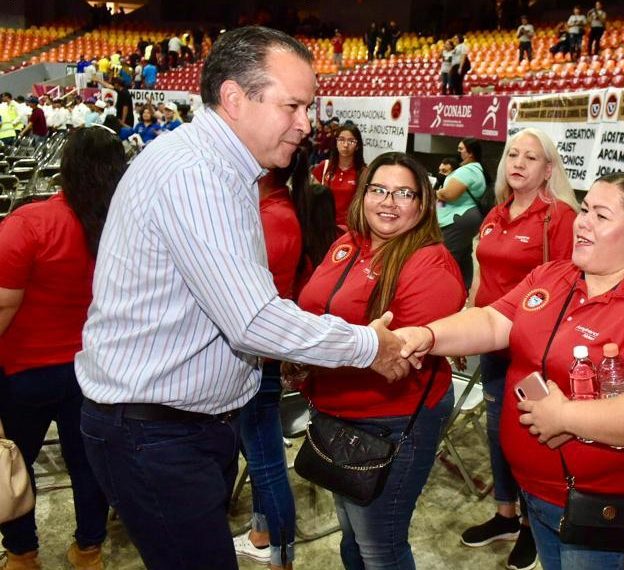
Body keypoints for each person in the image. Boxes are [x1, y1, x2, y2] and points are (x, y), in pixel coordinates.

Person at [75, 26, 411, 570]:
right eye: (294, 106)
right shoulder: (198, 175)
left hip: (175, 427)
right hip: (156, 433)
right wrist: (368, 346)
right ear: (234, 98)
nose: (308, 124)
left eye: (310, 107)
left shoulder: (220, 170)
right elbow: (252, 319)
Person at [396, 172, 624, 570]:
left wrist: (565, 416)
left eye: (601, 216)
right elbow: (491, 322)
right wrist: (428, 335)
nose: (583, 221)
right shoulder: (552, 277)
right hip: (535, 495)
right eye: (585, 209)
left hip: (594, 510)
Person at [293, 152, 464, 569]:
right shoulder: (349, 243)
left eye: (403, 193)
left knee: (379, 547)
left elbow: (401, 361)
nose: (388, 202)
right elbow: (314, 308)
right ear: (362, 195)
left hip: (389, 423)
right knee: (351, 539)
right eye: (379, 190)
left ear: (422, 203)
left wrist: (311, 351)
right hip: (335, 414)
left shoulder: (429, 262)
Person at [0, 127, 126, 570]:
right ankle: (88, 549)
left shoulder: (30, 223)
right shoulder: (123, 229)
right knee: (87, 464)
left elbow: (1, 306)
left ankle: (22, 553)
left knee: (16, 463)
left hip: (23, 372)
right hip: (92, 371)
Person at [458, 128, 579, 570]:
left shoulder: (559, 217)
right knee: (497, 431)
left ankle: (533, 524)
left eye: (531, 157)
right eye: (513, 154)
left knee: (531, 436)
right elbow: (481, 273)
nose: (519, 163)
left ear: (549, 169)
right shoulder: (496, 213)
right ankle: (506, 514)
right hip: (492, 344)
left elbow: (570, 283)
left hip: (533, 348)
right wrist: (468, 317)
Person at [231, 149, 307, 570]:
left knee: (266, 461)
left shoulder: (274, 216)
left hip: (259, 355)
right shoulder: (267, 209)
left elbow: (258, 296)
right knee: (260, 455)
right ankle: (263, 533)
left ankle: (280, 554)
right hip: (258, 352)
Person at [436, 137, 490, 290]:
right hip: (463, 218)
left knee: (447, 258)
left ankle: (441, 291)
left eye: (461, 149)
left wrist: (436, 193)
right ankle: (464, 289)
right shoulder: (476, 169)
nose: (457, 152)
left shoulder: (470, 170)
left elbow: (449, 194)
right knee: (464, 256)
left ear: (470, 153)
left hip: (458, 219)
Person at [311, 122, 366, 228]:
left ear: (357, 145)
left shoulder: (363, 172)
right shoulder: (324, 167)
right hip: (323, 228)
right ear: (336, 143)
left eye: (351, 141)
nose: (345, 145)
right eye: (341, 140)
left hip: (348, 230)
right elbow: (313, 198)